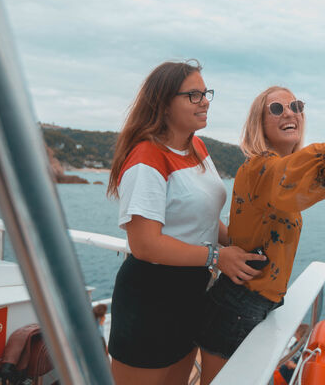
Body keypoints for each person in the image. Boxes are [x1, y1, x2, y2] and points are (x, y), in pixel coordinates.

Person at [195, 86, 325, 383]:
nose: (290, 113)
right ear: (259, 123)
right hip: (236, 306)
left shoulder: (279, 171)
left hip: (254, 304)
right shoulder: (259, 168)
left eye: (296, 106)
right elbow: (286, 177)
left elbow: (294, 185)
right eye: (276, 109)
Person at [106, 60, 266, 385]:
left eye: (206, 93)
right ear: (164, 104)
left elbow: (204, 217)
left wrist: (241, 246)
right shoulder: (147, 158)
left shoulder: (196, 147)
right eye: (194, 95)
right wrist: (218, 257)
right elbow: (145, 244)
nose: (204, 101)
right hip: (151, 298)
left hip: (192, 293)